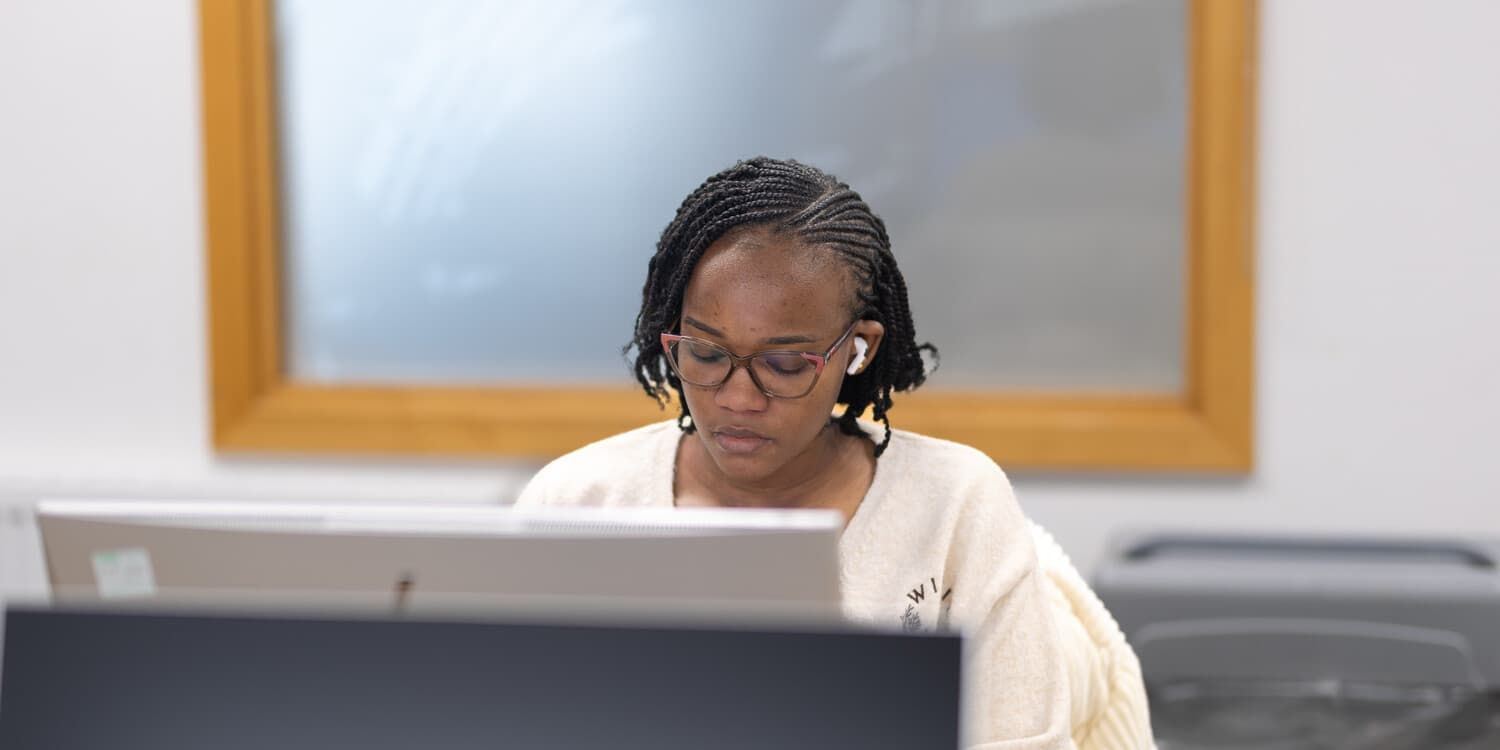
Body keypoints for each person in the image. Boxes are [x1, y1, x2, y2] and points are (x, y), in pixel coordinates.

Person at [516, 157, 1149, 748]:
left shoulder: (953, 504)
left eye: (786, 363)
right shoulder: (578, 501)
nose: (738, 397)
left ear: (858, 349)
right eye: (705, 355)